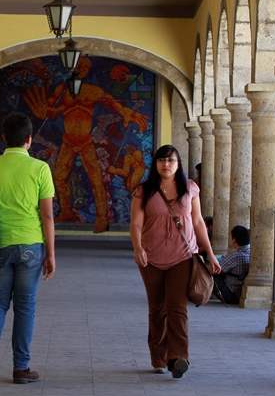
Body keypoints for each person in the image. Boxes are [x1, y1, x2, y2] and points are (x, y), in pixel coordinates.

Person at [0, 113, 55, 385]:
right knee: (25, 307)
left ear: (4, 137)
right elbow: (47, 215)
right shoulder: (40, 168)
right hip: (31, 246)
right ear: (29, 138)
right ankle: (21, 368)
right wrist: (51, 254)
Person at [24, 56, 149, 233]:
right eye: (78, 66)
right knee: (58, 177)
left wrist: (125, 112)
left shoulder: (93, 91)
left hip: (86, 142)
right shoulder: (61, 91)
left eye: (85, 67)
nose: (81, 69)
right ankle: (66, 210)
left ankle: (102, 218)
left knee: (96, 179)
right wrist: (43, 112)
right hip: (68, 142)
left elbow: (112, 103)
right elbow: (50, 111)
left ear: (87, 70)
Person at [129, 144, 221, 379]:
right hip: (151, 257)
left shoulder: (189, 188)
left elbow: (198, 222)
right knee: (157, 309)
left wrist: (210, 254)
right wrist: (138, 247)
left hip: (183, 256)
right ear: (155, 164)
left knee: (177, 308)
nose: (166, 164)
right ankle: (159, 358)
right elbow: (136, 223)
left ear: (178, 164)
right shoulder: (144, 191)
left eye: (171, 160)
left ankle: (178, 357)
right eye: (162, 160)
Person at [213, 226, 250, 305]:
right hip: (242, 293)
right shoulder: (251, 253)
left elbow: (215, 270)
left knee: (210, 276)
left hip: (231, 294)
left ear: (234, 240)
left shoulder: (235, 256)